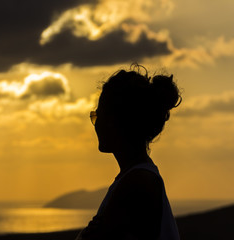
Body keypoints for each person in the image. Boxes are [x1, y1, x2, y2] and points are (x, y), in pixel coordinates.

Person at [76, 64, 181, 240]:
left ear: (120, 121)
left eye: (99, 116)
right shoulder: (137, 177)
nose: (97, 125)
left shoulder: (137, 182)